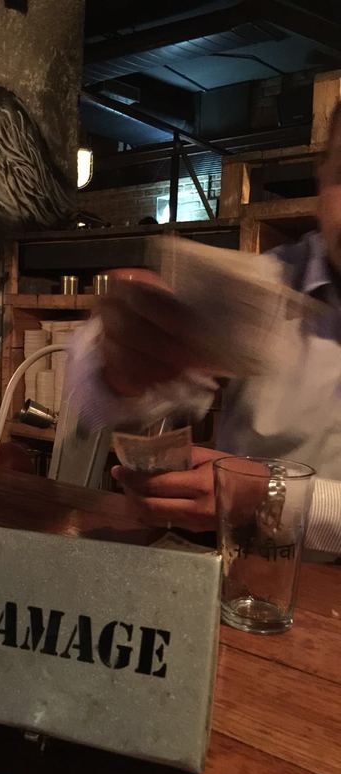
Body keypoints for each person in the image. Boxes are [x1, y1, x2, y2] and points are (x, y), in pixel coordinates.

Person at [101, 103, 341, 558]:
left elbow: (262, 497)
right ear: (321, 173)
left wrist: (270, 498)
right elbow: (126, 400)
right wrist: (118, 365)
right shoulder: (265, 287)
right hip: (244, 578)